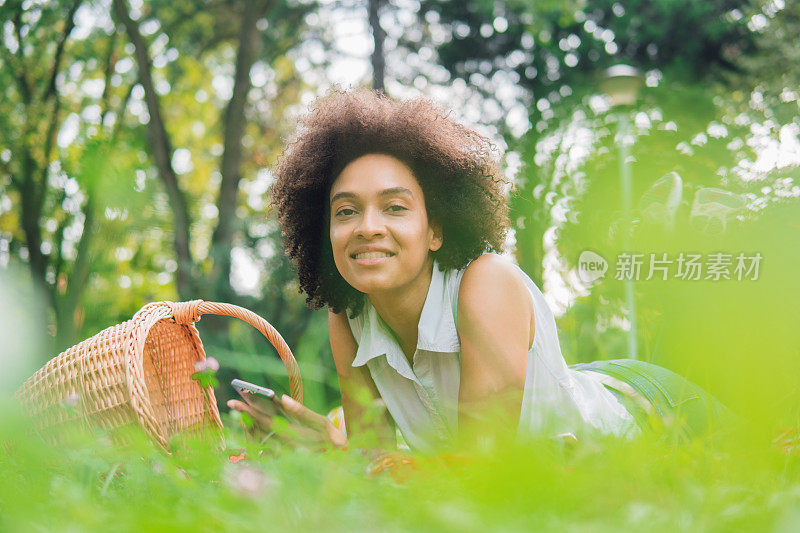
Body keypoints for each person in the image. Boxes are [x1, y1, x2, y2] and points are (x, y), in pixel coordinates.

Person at [227, 88, 730, 454]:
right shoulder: (349, 317)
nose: (367, 227)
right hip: (576, 389)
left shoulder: (484, 283)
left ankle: (692, 239)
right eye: (345, 211)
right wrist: (324, 449)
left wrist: (363, 461)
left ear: (436, 231)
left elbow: (480, 470)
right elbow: (374, 469)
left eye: (396, 208)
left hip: (648, 407)